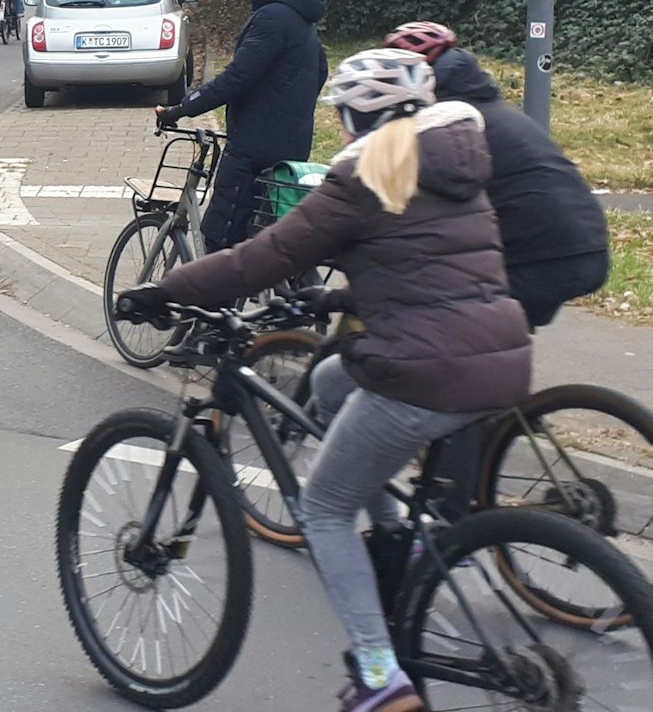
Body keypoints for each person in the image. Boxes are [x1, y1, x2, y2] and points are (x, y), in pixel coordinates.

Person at [119, 48, 531, 712]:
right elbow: (423, 268)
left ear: (354, 116)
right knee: (335, 380)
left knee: (325, 507)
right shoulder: (455, 163)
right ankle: (403, 535)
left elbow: (264, 256)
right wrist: (331, 304)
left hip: (423, 372)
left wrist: (165, 289)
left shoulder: (370, 170)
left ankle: (379, 675)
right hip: (501, 356)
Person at [383, 21, 610, 329]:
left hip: (540, 258)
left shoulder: (450, 127)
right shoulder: (493, 110)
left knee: (430, 317)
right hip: (587, 245)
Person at [155, 0, 327, 253]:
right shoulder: (302, 18)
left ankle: (208, 300)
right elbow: (320, 72)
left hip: (253, 150)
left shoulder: (274, 17)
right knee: (260, 238)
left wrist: (181, 109)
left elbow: (237, 78)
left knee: (220, 242)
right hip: (290, 145)